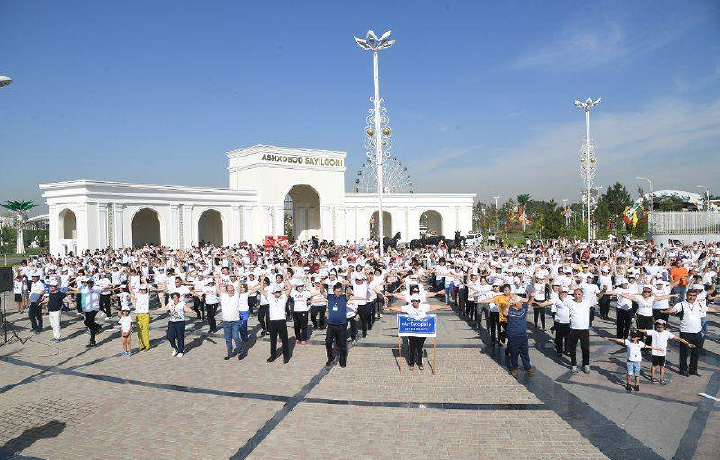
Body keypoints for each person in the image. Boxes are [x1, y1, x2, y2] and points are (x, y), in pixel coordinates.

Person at [660, 288, 720, 376]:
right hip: (686, 332)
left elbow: (709, 309)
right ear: (687, 296)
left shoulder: (699, 304)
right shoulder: (681, 304)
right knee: (684, 353)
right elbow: (674, 310)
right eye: (690, 295)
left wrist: (718, 310)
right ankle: (683, 370)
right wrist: (666, 311)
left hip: (697, 332)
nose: (692, 297)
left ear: (696, 296)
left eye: (694, 296)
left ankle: (693, 370)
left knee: (696, 352)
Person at [386, 293, 450, 371]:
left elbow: (435, 307)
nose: (415, 302)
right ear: (412, 301)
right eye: (413, 301)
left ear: (419, 301)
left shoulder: (424, 307)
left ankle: (420, 363)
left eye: (416, 301)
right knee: (412, 347)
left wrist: (445, 307)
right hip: (411, 331)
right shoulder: (408, 307)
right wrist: (388, 307)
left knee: (420, 347)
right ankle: (411, 363)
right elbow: (399, 308)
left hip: (422, 331)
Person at [639, 319, 694, 384]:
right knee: (654, 366)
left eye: (661, 327)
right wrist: (636, 330)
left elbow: (678, 338)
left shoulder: (667, 333)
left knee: (662, 367)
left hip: (662, 354)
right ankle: (652, 377)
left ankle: (661, 379)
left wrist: (687, 343)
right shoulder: (653, 332)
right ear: (656, 326)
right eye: (658, 327)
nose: (659, 328)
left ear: (664, 327)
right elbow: (643, 331)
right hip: (654, 353)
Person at [157, 292, 194, 357]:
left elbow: (187, 309)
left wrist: (192, 311)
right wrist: (157, 310)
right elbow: (166, 308)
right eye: (173, 297)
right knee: (170, 336)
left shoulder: (182, 303)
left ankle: (180, 351)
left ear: (178, 297)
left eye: (176, 297)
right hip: (171, 322)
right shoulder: (171, 303)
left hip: (180, 322)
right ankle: (175, 348)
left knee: (180, 337)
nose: (175, 299)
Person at [68, 278, 103, 347]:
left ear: (93, 282)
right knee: (87, 322)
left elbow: (104, 289)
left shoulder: (97, 288)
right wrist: (70, 292)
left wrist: (113, 288)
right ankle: (97, 327)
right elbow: (79, 291)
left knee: (90, 322)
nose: (90, 284)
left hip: (94, 308)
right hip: (87, 309)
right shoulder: (86, 289)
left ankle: (93, 341)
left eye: (91, 282)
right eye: (89, 283)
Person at [218, 277, 244, 361]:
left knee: (236, 337)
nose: (231, 291)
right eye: (229, 290)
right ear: (226, 290)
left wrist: (239, 279)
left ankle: (240, 352)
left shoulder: (236, 296)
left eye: (232, 290)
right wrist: (217, 279)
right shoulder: (223, 296)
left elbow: (239, 289)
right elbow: (217, 288)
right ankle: (229, 354)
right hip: (226, 322)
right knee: (228, 339)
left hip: (235, 321)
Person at [267, 283, 291, 363]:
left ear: (280, 292)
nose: (277, 293)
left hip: (281, 320)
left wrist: (286, 280)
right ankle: (273, 356)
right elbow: (262, 290)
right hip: (273, 321)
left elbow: (289, 288)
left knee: (284, 340)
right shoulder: (270, 298)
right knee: (273, 340)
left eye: (278, 292)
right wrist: (262, 279)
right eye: (276, 292)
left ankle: (286, 356)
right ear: (273, 293)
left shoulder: (284, 297)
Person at [130, 284, 151, 351]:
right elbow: (131, 290)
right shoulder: (137, 294)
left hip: (145, 315)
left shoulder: (147, 295)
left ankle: (147, 345)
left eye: (143, 290)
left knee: (145, 331)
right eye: (141, 290)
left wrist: (145, 281)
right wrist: (129, 281)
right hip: (138, 315)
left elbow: (148, 289)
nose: (142, 291)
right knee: (139, 332)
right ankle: (141, 345)